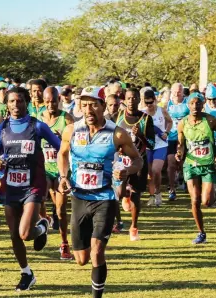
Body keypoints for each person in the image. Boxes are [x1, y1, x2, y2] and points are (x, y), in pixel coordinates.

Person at [57, 86, 142, 298]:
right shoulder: (72, 130)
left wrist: (126, 171)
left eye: (94, 104)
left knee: (97, 252)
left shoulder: (118, 133)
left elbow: (137, 159)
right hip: (79, 197)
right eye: (84, 105)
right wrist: (63, 176)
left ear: (103, 106)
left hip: (105, 197)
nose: (88, 110)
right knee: (81, 259)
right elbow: (62, 154)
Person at [0, 87, 61, 291]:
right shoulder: (1, 129)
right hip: (10, 186)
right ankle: (26, 272)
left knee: (25, 233)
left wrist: (64, 167)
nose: (15, 105)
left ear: (26, 103)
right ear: (7, 104)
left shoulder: (37, 127)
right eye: (11, 101)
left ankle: (42, 226)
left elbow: (60, 147)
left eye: (19, 101)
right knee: (14, 235)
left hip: (33, 185)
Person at [177, 92, 216, 244]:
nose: (195, 106)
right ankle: (201, 233)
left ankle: (213, 194)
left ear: (202, 104)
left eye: (198, 103)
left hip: (207, 164)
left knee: (206, 202)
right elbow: (181, 144)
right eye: (192, 103)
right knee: (195, 200)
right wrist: (179, 153)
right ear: (188, 105)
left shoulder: (210, 120)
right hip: (190, 165)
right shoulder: (183, 123)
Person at [115, 88, 154, 240]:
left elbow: (151, 144)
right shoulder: (117, 116)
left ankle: (134, 227)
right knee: (118, 192)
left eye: (135, 98)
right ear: (124, 100)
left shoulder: (146, 119)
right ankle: (125, 196)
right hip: (121, 160)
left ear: (139, 100)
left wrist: (141, 135)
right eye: (129, 98)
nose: (131, 101)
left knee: (136, 194)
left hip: (138, 160)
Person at [40, 87, 74, 259]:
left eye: (53, 101)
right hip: (44, 167)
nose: (50, 105)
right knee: (38, 197)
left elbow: (75, 143)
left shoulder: (66, 119)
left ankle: (64, 243)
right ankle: (43, 223)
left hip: (61, 169)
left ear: (58, 99)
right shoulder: (39, 118)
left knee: (60, 210)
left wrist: (61, 139)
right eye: (47, 101)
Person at [142, 89, 171, 207]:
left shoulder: (161, 110)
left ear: (155, 100)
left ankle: (158, 193)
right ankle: (152, 195)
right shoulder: (142, 113)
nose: (149, 105)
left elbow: (170, 122)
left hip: (161, 145)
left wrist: (166, 132)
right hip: (148, 146)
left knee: (156, 170)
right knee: (149, 173)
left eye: (151, 102)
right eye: (146, 103)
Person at [165, 83, 189, 201]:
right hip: (171, 138)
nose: (176, 93)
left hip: (185, 138)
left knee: (183, 162)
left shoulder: (188, 103)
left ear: (182, 92)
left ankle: (183, 180)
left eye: (179, 91)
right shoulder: (167, 105)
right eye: (174, 91)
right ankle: (172, 189)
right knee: (171, 163)